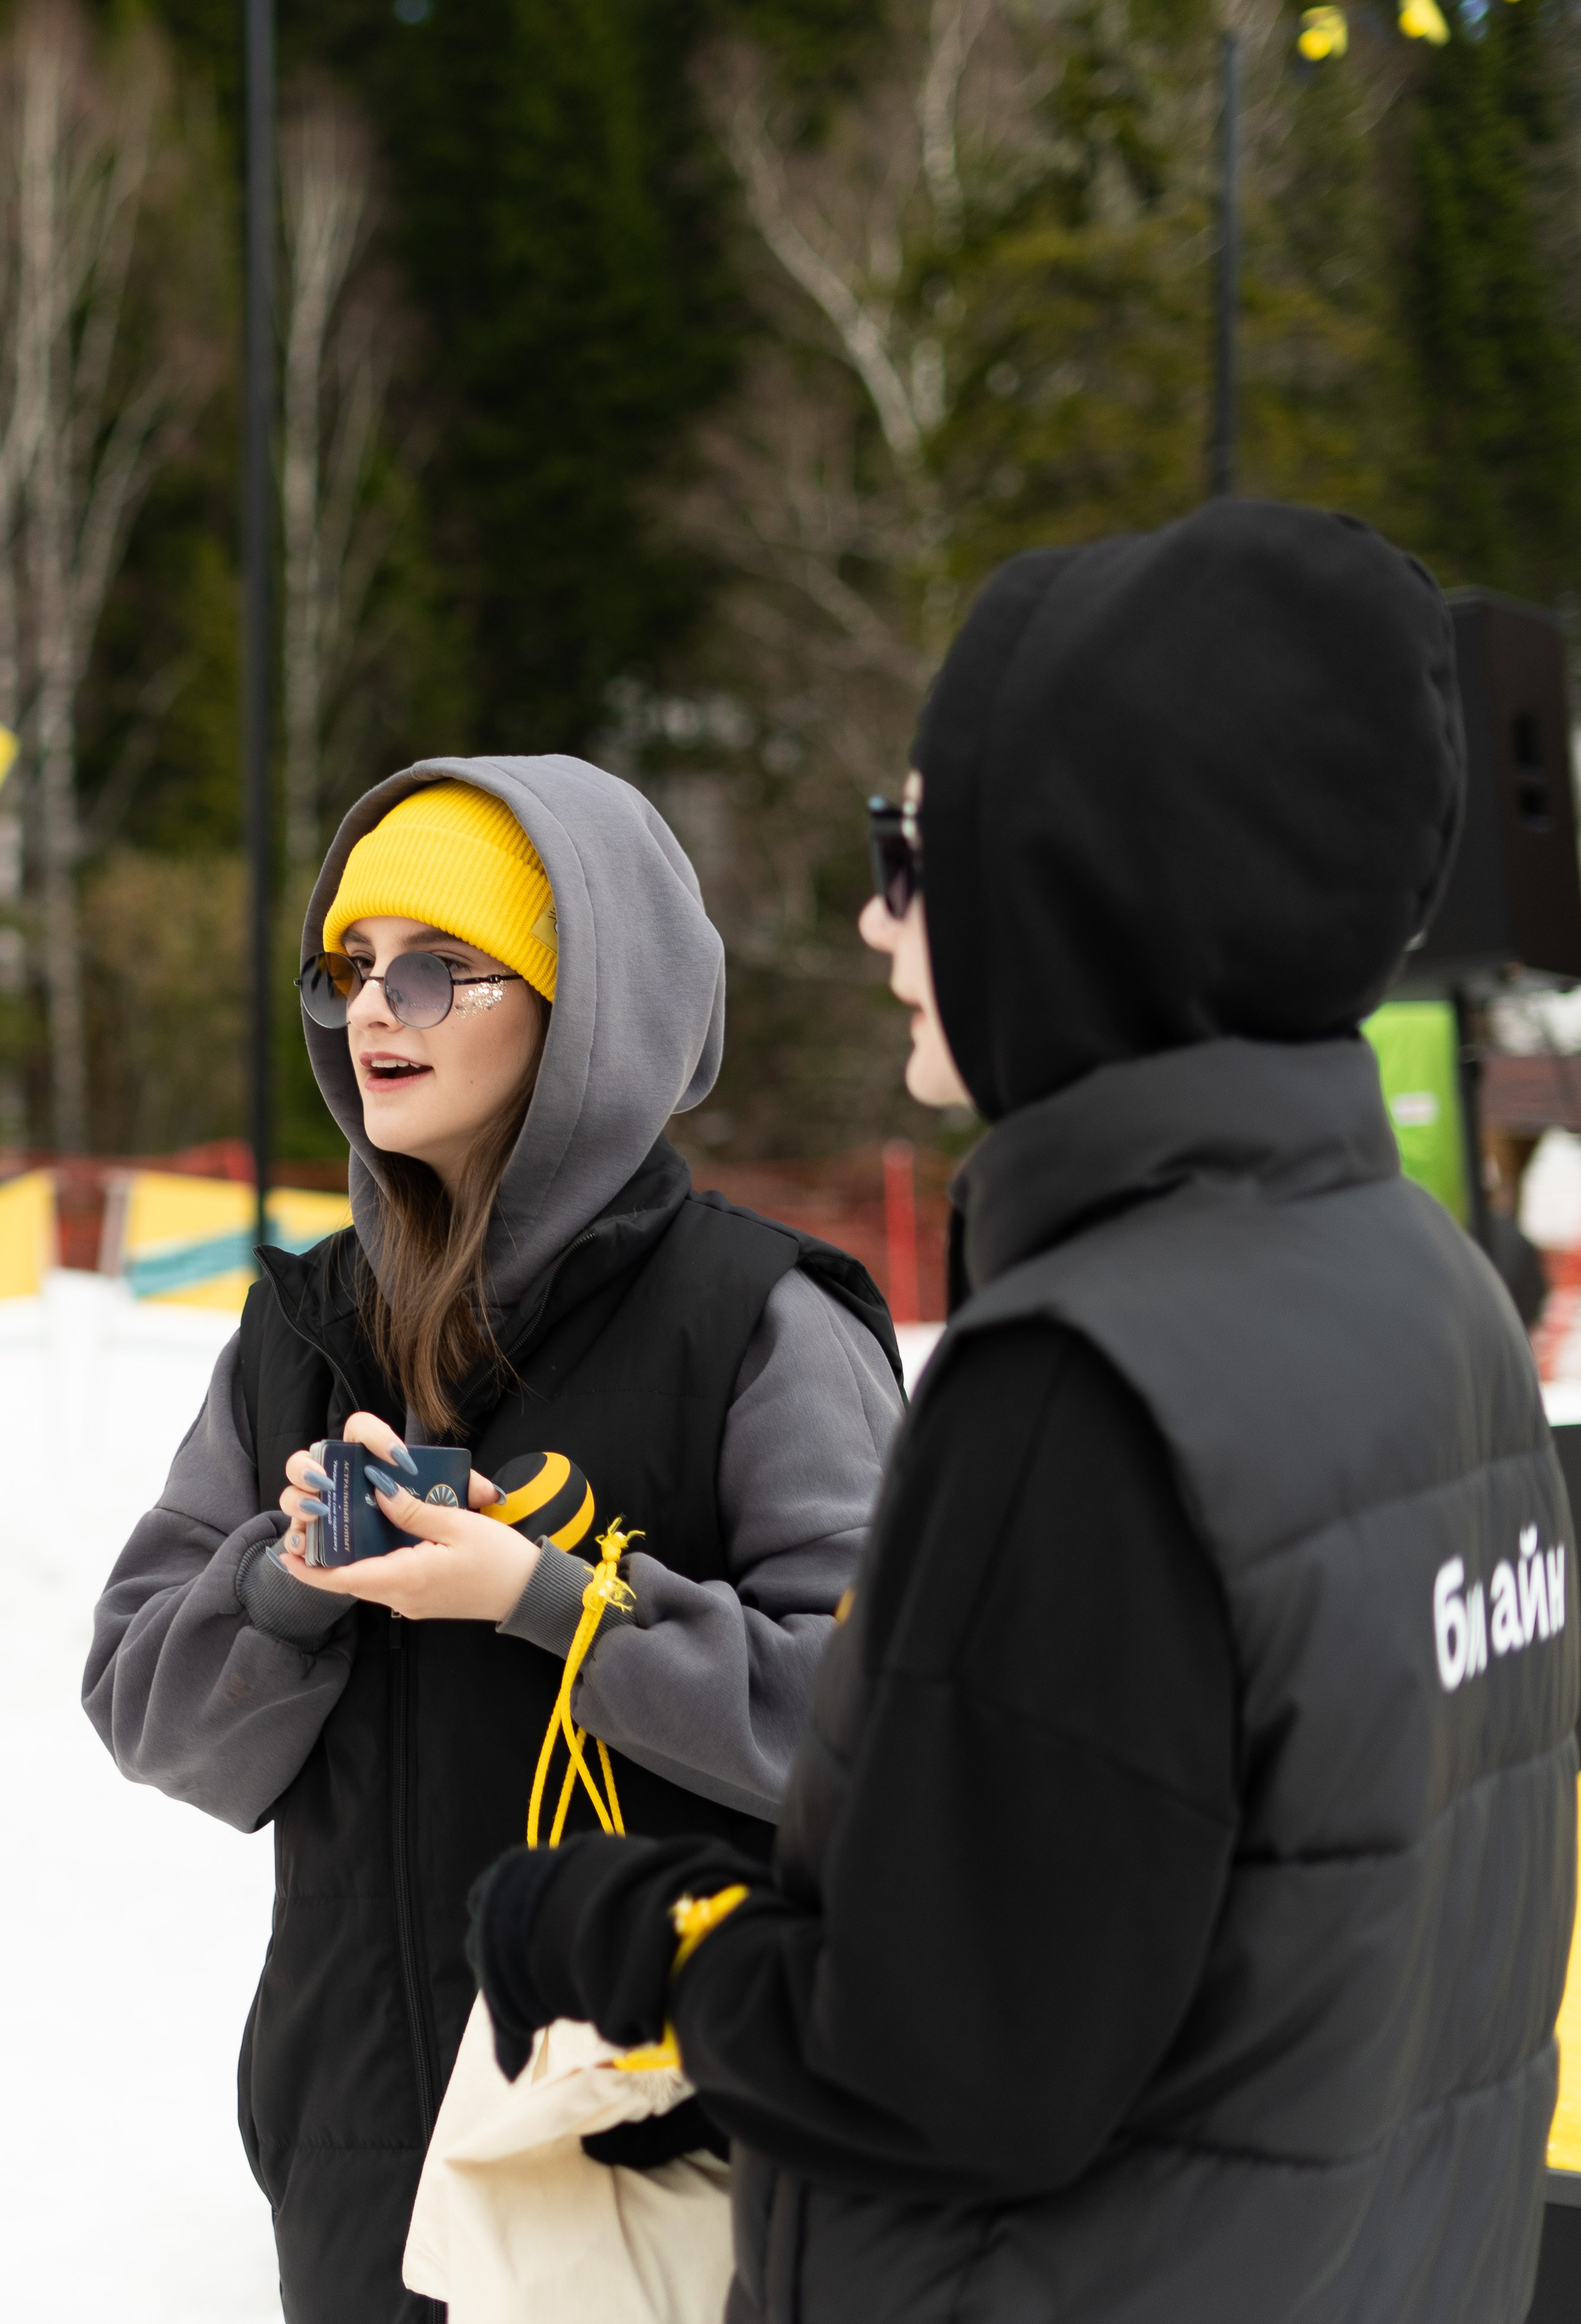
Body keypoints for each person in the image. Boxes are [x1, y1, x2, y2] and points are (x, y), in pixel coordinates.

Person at [468, 501, 1580, 2323]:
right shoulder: (1436, 1288)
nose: (871, 915)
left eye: (908, 848)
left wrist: (636, 1935)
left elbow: (939, 2056)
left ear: (1076, 878)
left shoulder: (1090, 1384)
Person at [83, 759, 903, 2324]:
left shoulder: (760, 1324)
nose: (374, 1010)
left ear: (583, 1005)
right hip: (361, 2169)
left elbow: (877, 1731)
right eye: (348, 969)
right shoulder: (295, 1335)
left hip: (671, 2145)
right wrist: (283, 1582)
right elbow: (146, 1711)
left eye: (435, 968)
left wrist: (553, 1602)